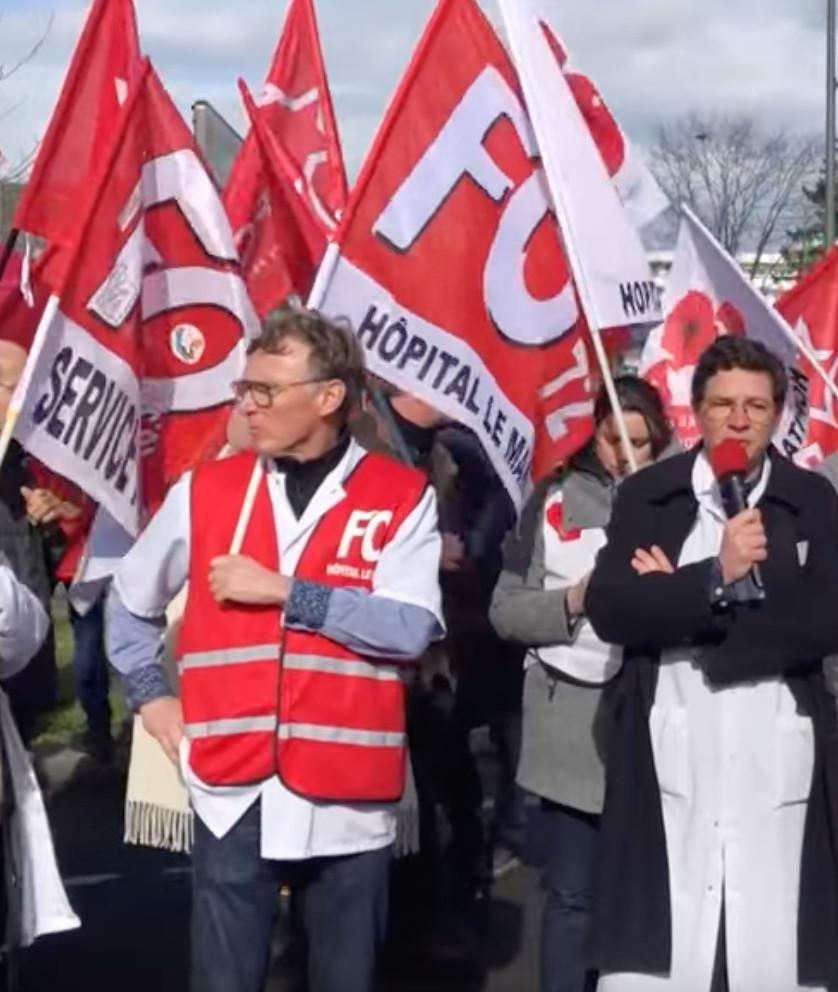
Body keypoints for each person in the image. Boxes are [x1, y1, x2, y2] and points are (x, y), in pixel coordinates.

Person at [107, 309, 443, 992]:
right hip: (232, 785)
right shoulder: (206, 490)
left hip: (349, 792)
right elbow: (127, 603)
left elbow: (410, 628)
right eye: (244, 389)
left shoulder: (400, 495)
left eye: (266, 390)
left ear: (329, 397)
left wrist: (290, 592)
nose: (247, 405)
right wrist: (152, 697)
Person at [585, 337, 838, 992]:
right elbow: (614, 608)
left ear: (779, 414)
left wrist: (679, 605)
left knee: (771, 952)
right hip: (672, 756)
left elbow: (822, 622)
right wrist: (715, 580)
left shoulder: (811, 500)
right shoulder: (650, 496)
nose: (739, 418)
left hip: (776, 755)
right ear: (697, 411)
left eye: (756, 404)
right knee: (667, 955)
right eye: (723, 403)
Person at [489, 377, 674, 992]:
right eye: (613, 438)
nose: (626, 454)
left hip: (660, 729)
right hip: (571, 732)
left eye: (642, 444)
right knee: (572, 897)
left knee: (650, 898)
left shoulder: (688, 501)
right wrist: (571, 599)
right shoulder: (551, 496)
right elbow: (505, 611)